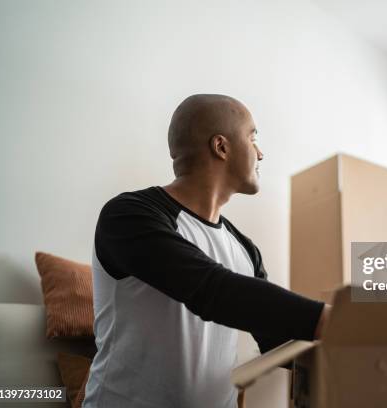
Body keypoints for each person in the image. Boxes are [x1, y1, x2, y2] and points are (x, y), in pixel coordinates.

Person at [82, 94, 330, 408]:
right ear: (221, 146)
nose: (261, 153)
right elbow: (212, 289)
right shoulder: (129, 215)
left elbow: (275, 340)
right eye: (253, 138)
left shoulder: (245, 249)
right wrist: (332, 319)